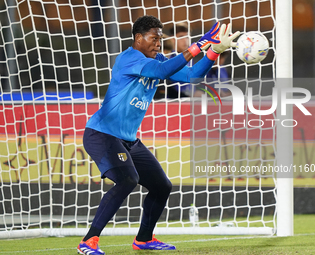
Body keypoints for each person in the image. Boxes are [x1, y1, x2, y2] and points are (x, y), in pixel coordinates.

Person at [77, 15, 239, 255]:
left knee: (161, 186)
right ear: (138, 38)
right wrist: (198, 46)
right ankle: (88, 241)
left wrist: (214, 52)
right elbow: (163, 71)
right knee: (127, 180)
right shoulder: (128, 58)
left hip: (129, 140)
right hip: (102, 134)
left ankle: (143, 239)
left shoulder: (159, 59)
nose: (158, 44)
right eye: (154, 39)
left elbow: (192, 77)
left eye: (160, 39)